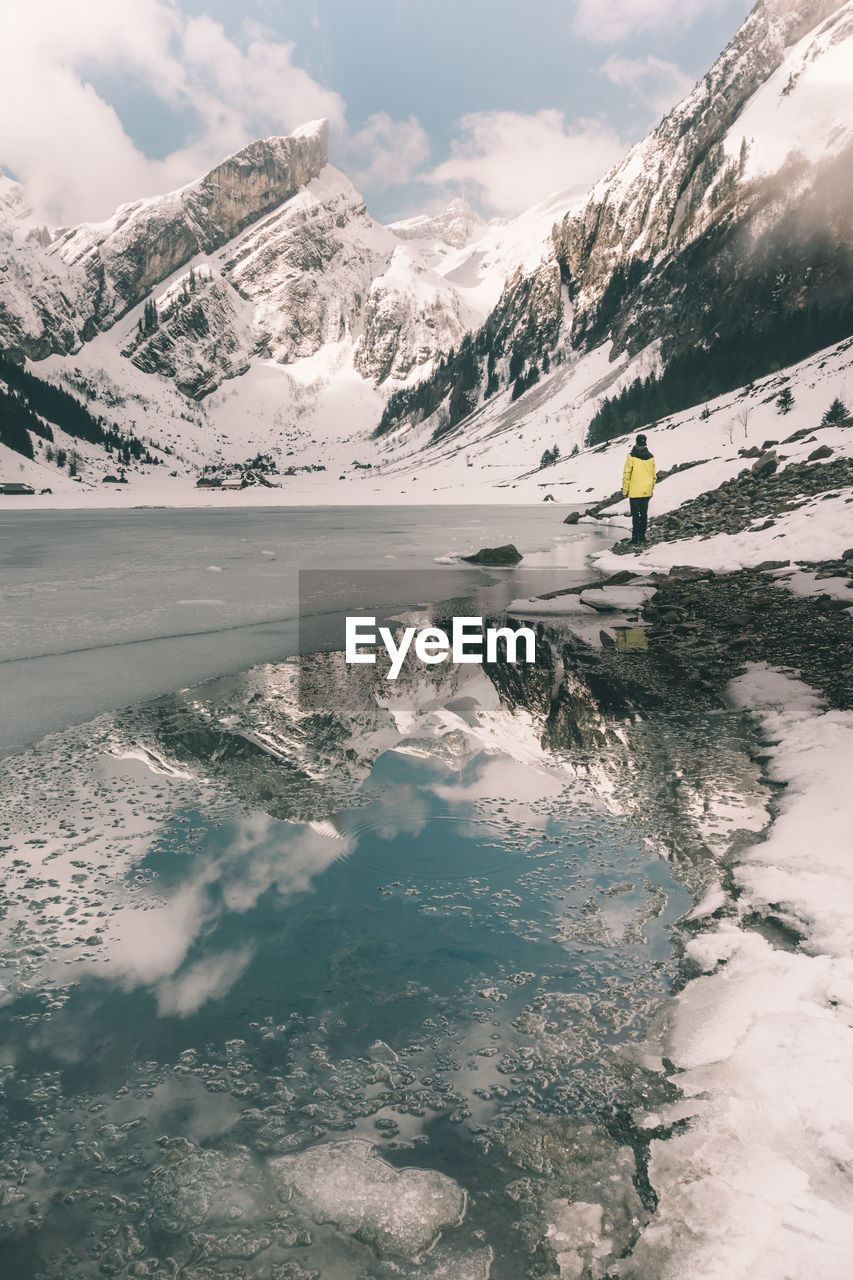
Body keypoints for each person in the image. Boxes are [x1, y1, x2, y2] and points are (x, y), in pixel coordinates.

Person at [622, 433, 656, 545]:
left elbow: (627, 474)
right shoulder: (651, 457)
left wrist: (625, 491)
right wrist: (651, 488)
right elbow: (653, 475)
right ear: (645, 442)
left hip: (635, 491)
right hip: (646, 490)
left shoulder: (631, 456)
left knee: (636, 515)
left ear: (636, 442)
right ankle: (642, 536)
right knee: (644, 514)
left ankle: (635, 537)